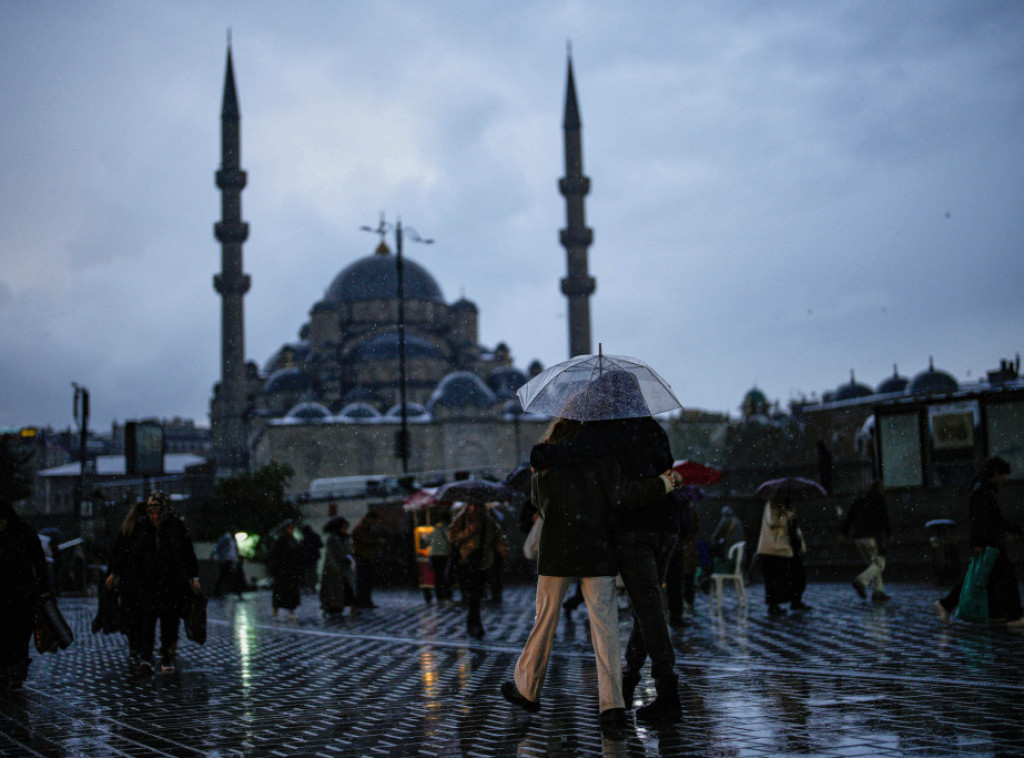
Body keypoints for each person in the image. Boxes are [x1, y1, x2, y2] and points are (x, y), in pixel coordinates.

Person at [500, 415, 677, 740]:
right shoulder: (604, 453)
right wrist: (663, 484)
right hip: (597, 548)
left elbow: (538, 503)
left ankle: (527, 689)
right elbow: (618, 494)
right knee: (605, 627)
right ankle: (612, 707)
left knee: (545, 621)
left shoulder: (547, 458)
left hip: (557, 550)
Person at [107, 492, 201, 674]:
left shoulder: (175, 526)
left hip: (170, 582)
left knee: (168, 621)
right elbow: (128, 550)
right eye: (152, 512)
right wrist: (116, 571)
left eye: (158, 512)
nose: (155, 516)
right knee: (147, 620)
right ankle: (146, 657)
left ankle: (165, 656)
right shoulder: (142, 526)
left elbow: (187, 552)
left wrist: (193, 576)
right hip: (147, 581)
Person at [935, 456, 1024, 627]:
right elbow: (980, 520)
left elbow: (991, 520)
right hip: (988, 543)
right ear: (995, 473)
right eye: (1002, 475)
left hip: (989, 541)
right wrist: (978, 543)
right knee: (1004, 576)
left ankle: (951, 605)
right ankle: (1013, 615)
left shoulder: (984, 489)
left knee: (985, 577)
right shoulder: (983, 491)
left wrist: (1005, 533)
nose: (1003, 479)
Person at [0, 498, 49, 692]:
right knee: (11, 635)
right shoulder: (24, 532)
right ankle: (10, 670)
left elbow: (38, 562)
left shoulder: (23, 533)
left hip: (21, 594)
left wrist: (42, 588)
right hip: (17, 593)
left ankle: (15, 672)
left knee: (18, 635)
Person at [448, 502, 507, 638]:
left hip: (483, 562)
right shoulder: (461, 519)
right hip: (466, 561)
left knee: (478, 594)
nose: (475, 508)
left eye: (478, 506)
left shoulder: (488, 521)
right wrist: (468, 531)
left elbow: (497, 537)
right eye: (473, 505)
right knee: (472, 595)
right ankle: (475, 624)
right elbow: (452, 537)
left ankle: (473, 623)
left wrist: (503, 550)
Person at [756, 496, 810, 616]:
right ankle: (773, 605)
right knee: (774, 578)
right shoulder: (772, 504)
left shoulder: (788, 505)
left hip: (788, 546)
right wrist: (787, 515)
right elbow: (773, 521)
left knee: (797, 575)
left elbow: (794, 525)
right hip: (773, 547)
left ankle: (796, 600)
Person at [840, 480, 892, 602]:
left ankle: (878, 591)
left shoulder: (861, 499)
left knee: (873, 565)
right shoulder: (879, 500)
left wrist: (843, 532)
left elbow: (850, 516)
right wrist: (889, 534)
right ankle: (861, 581)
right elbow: (884, 517)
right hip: (872, 536)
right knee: (879, 564)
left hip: (858, 537)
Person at [665, 491, 699, 628]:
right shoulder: (683, 502)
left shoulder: (668, 498)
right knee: (676, 582)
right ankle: (676, 616)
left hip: (666, 544)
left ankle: (670, 616)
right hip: (677, 545)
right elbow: (687, 525)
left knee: (669, 582)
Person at [319, 518, 355, 619]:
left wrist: (348, 558)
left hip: (344, 568)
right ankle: (332, 608)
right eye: (343, 527)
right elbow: (330, 553)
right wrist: (335, 565)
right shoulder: (332, 538)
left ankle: (344, 606)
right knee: (333, 590)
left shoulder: (346, 538)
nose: (345, 529)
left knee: (346, 588)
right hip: (333, 569)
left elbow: (348, 550)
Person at [270, 520, 303, 620]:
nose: (291, 530)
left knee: (291, 592)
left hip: (292, 570)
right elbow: (276, 556)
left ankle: (291, 611)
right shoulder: (281, 540)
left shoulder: (293, 539)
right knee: (280, 591)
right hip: (283, 570)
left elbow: (297, 554)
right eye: (289, 528)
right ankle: (276, 610)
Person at [351, 510, 383, 610]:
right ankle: (363, 601)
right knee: (363, 580)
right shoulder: (361, 528)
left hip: (364, 556)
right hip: (363, 556)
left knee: (365, 580)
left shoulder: (364, 527)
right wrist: (377, 541)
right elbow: (366, 540)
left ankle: (365, 601)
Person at [427, 511, 453, 606]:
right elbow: (450, 540)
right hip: (444, 554)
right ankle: (446, 595)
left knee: (437, 576)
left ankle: (439, 596)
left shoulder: (435, 528)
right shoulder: (447, 528)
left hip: (433, 554)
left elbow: (429, 540)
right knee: (446, 576)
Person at [212, 529, 243, 599]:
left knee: (226, 576)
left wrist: (237, 557)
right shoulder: (225, 538)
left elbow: (235, 549)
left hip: (231, 560)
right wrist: (213, 555)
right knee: (226, 576)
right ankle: (235, 591)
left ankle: (218, 592)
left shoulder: (234, 539)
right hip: (225, 560)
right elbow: (217, 546)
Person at [299, 524, 324, 594]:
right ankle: (311, 586)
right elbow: (320, 545)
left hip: (308, 558)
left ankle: (309, 586)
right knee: (312, 572)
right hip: (312, 557)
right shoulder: (314, 536)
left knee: (308, 573)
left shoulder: (305, 537)